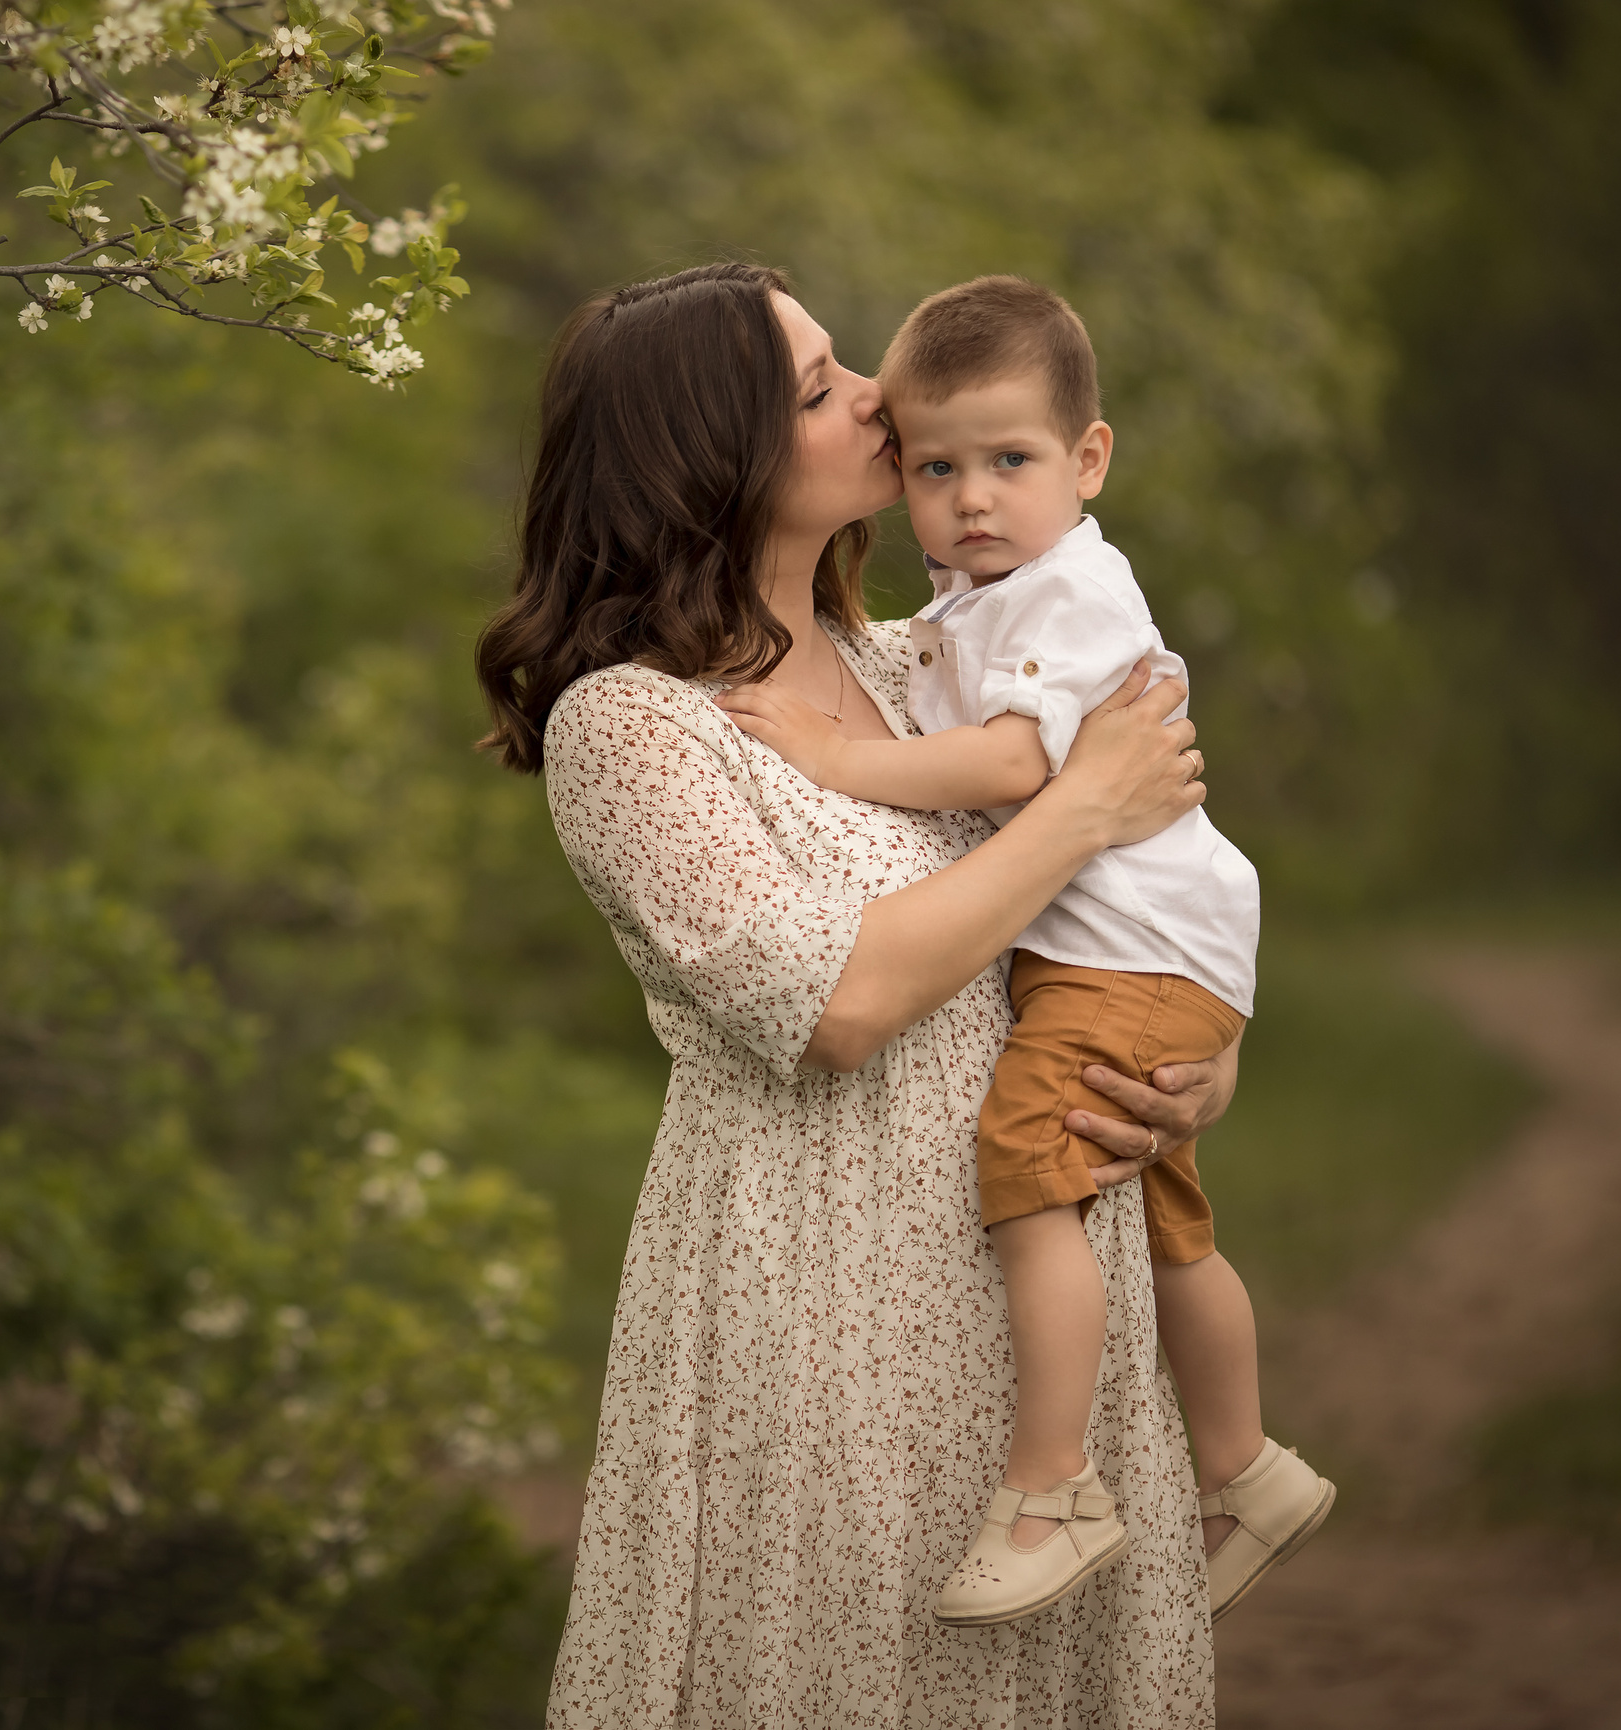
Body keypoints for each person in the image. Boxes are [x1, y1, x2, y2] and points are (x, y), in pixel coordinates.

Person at [475, 262, 1225, 1726]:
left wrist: (1188, 1069)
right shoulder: (633, 725)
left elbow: (1126, 918)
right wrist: (1080, 807)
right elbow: (840, 1001)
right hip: (819, 1304)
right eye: (821, 387)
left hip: (1038, 1273)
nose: (880, 394)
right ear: (720, 461)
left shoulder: (928, 667)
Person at [716, 275, 1333, 1632]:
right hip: (1139, 959)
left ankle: (1050, 1489)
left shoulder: (1065, 594)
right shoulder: (956, 608)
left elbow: (1015, 761)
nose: (970, 496)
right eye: (939, 467)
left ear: (1089, 459)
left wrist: (832, 754)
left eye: (1008, 462)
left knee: (1030, 1175)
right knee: (1173, 1226)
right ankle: (1247, 1465)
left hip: (1126, 962)